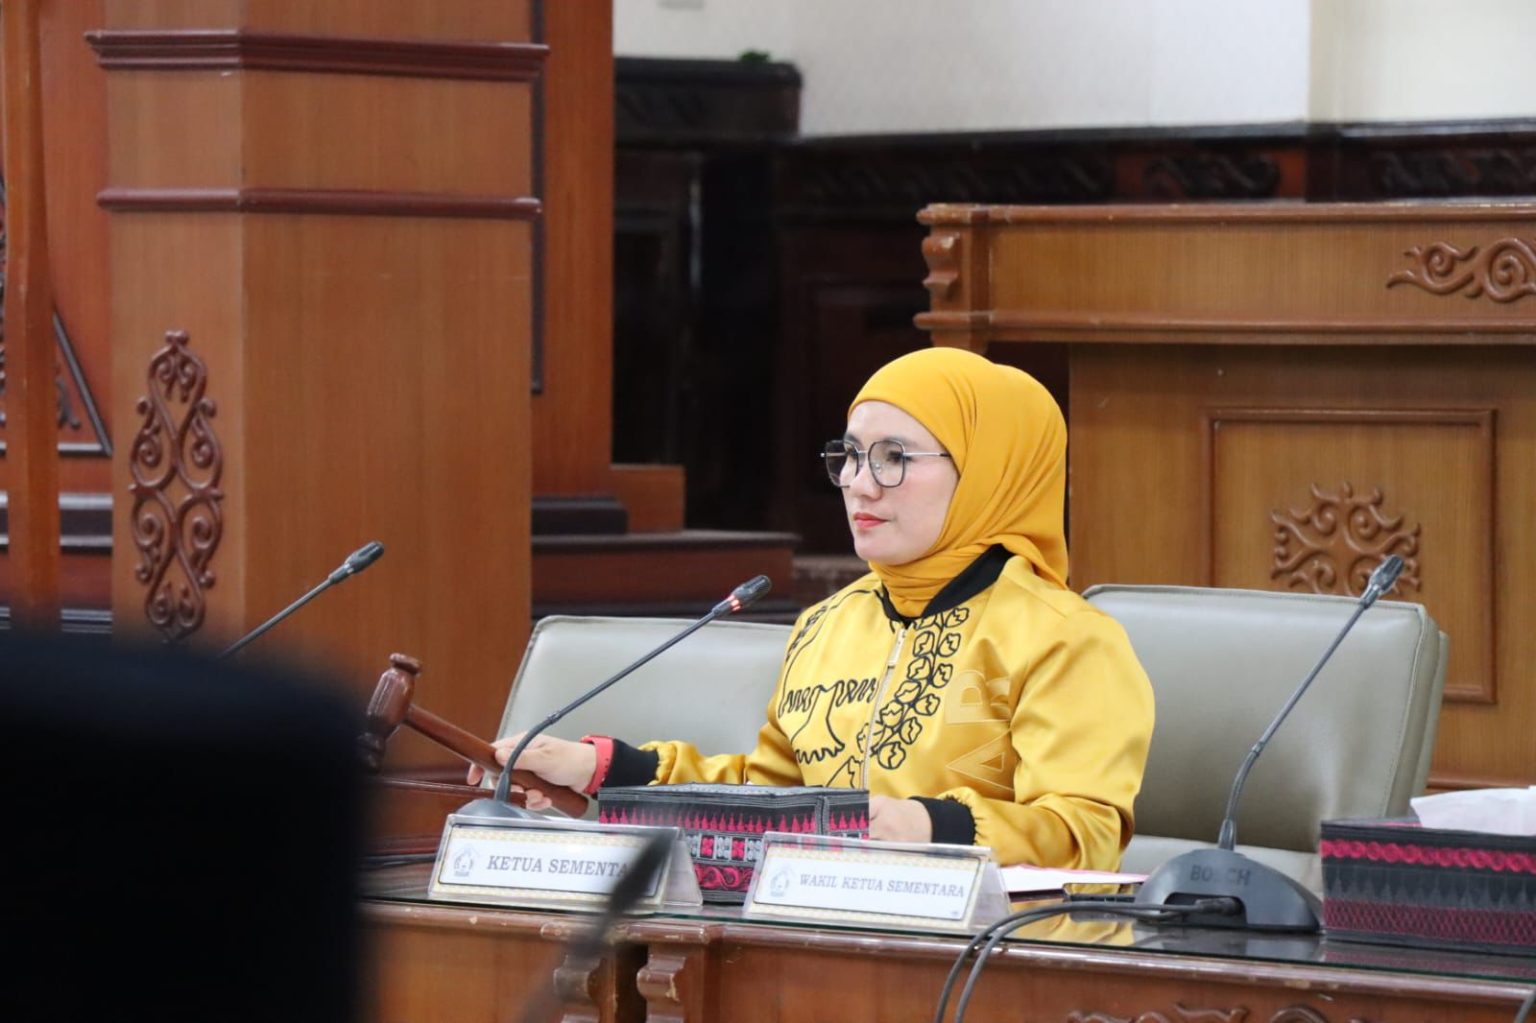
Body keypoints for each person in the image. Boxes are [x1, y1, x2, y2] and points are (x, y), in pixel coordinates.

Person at [473, 347, 1154, 869]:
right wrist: (599, 770)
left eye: (894, 457)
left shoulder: (1064, 638)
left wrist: (929, 825)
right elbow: (769, 796)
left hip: (980, 962)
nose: (859, 483)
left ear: (991, 469)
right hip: (814, 938)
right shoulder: (828, 625)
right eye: (850, 456)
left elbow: (1083, 833)